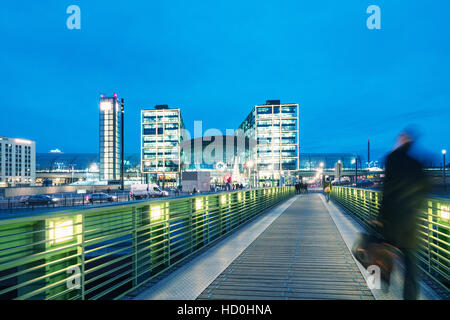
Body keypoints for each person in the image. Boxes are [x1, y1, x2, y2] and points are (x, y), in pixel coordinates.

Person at [378, 128, 429, 300]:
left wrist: (380, 218)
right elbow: (425, 189)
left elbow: (386, 192)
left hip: (391, 222)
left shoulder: (391, 159)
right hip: (411, 225)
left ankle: (377, 285)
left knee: (378, 256)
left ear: (400, 141)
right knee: (412, 269)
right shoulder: (417, 164)